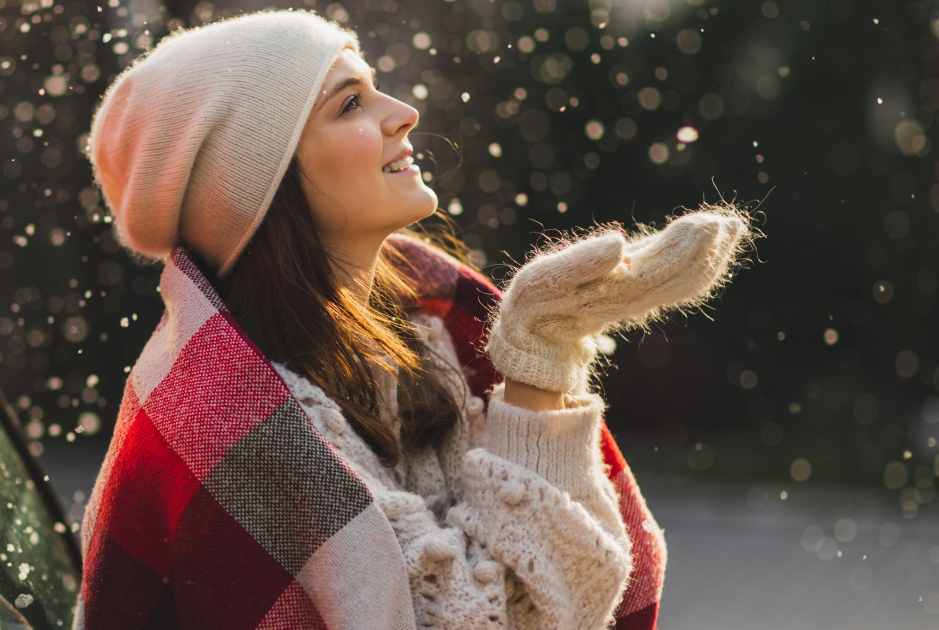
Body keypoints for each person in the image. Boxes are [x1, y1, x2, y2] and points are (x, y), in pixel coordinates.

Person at [77, 10, 748, 630]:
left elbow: (558, 606)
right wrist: (538, 363)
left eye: (375, 88)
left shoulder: (424, 335)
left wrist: (548, 351)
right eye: (350, 104)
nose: (404, 112)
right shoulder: (241, 426)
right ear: (263, 185)